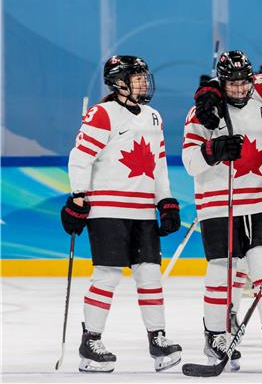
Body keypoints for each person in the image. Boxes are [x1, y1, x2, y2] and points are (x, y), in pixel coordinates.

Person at [63, 55, 181, 372]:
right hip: (107, 209)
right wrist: (77, 197)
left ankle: (158, 338)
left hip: (142, 211)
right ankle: (90, 342)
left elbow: (158, 165)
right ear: (119, 82)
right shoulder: (102, 114)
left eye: (144, 76)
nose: (144, 82)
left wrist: (166, 200)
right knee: (108, 274)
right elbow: (80, 158)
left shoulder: (154, 117)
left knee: (149, 274)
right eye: (137, 77)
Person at [183, 50, 262, 369]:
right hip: (218, 203)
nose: (240, 89)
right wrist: (211, 151)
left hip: (259, 200)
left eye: (244, 82)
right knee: (223, 270)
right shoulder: (202, 113)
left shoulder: (261, 109)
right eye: (232, 84)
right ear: (221, 82)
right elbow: (189, 163)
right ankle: (215, 333)